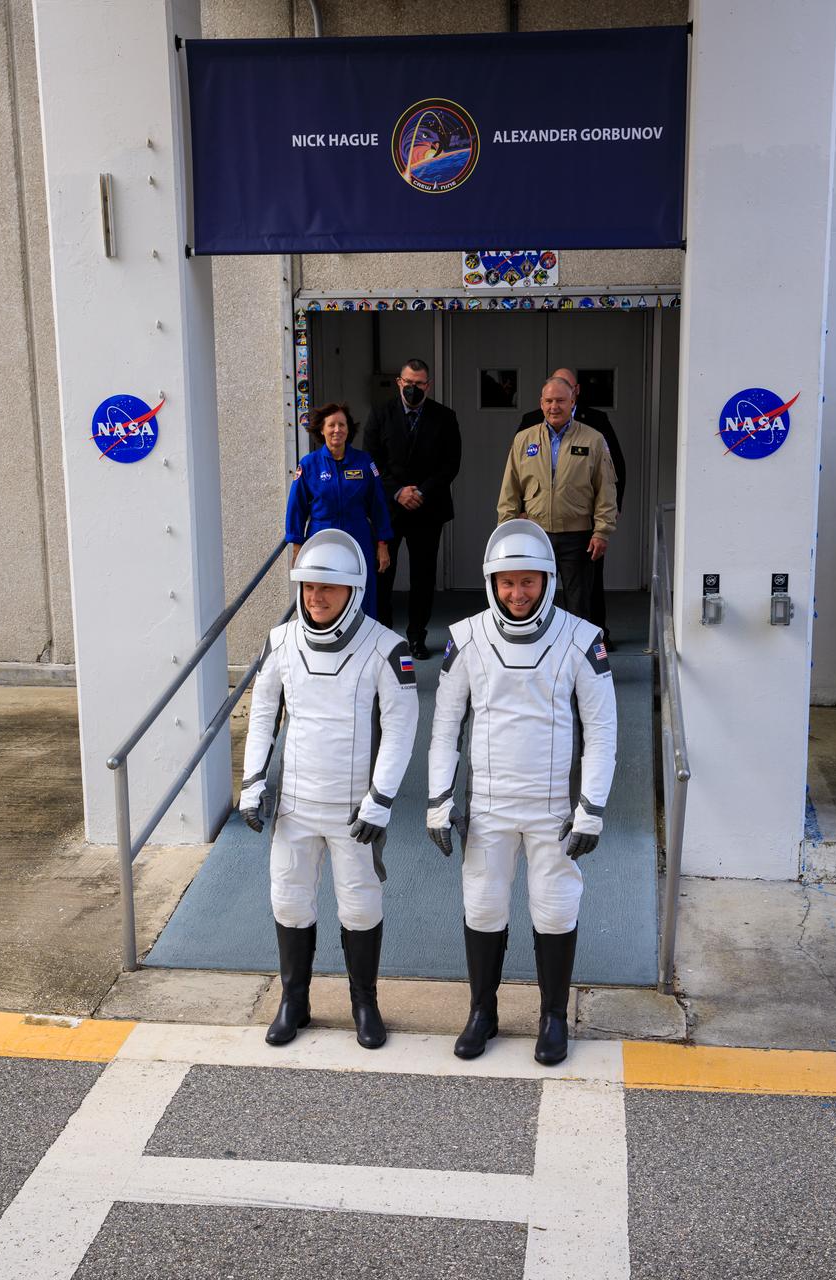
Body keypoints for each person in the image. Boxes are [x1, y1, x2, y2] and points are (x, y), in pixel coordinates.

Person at [426, 520, 617, 1066]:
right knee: (483, 908)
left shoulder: (582, 640)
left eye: (528, 582)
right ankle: (482, 1012)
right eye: (507, 583)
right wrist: (440, 800)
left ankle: (553, 1017)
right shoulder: (465, 639)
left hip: (554, 808)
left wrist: (592, 809)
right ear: (492, 582)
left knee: (555, 911)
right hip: (488, 807)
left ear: (548, 580)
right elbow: (444, 730)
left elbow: (602, 732)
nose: (517, 594)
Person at [239, 529, 419, 1051]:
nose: (316, 598)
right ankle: (295, 1001)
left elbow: (403, 727)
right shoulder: (280, 641)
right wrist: (252, 783)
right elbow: (263, 715)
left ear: (353, 591)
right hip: (294, 807)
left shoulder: (387, 649)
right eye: (309, 587)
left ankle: (364, 1002)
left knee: (359, 906)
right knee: (290, 902)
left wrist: (381, 798)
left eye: (329, 589)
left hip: (354, 811)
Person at [516, 367, 626, 645]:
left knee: (580, 606)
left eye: (561, 400)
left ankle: (581, 665)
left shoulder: (593, 437)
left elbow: (607, 486)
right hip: (537, 536)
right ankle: (541, 660)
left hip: (578, 536)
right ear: (541, 403)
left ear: (573, 400)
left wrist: (603, 529)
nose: (554, 406)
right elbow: (511, 487)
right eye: (549, 401)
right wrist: (511, 530)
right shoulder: (525, 438)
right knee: (536, 601)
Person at [363, 358, 462, 659]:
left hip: (428, 509)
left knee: (423, 578)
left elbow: (450, 465)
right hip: (389, 511)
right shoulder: (380, 414)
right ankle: (383, 637)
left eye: (420, 383)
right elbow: (371, 461)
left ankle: (417, 637)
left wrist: (420, 491)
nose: (413, 388)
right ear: (399, 382)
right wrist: (396, 492)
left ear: (428, 385)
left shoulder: (445, 417)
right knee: (383, 575)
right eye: (408, 382)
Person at [286, 402, 392, 620]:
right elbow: (296, 508)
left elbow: (378, 505)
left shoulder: (364, 462)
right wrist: (297, 546)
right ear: (321, 430)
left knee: (363, 590)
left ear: (348, 429)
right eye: (331, 425)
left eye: (342, 425)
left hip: (359, 537)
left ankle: (365, 642)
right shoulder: (309, 464)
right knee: (325, 592)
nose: (337, 430)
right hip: (321, 538)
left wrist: (382, 544)